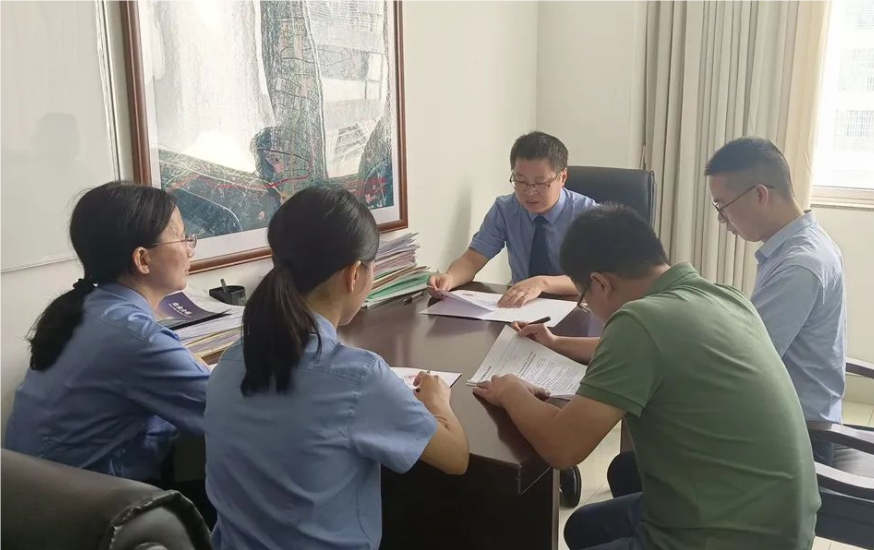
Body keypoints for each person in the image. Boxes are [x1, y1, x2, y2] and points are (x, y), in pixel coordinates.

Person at [473, 204, 819, 550]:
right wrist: (558, 343)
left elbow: (562, 448)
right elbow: (654, 346)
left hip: (726, 536)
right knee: (584, 526)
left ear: (601, 283)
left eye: (584, 300)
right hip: (778, 519)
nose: (589, 308)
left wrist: (510, 390)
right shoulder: (721, 296)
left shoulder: (638, 322)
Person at [205, 185, 469, 550]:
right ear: (354, 274)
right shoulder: (358, 378)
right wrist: (438, 402)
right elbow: (455, 458)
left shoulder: (230, 362)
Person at [606, 138, 848, 499]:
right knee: (635, 463)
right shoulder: (800, 245)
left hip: (794, 437)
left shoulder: (799, 266)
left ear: (760, 194)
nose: (722, 220)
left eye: (723, 206)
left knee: (635, 464)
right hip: (782, 415)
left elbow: (745, 358)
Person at [5, 181, 209, 483]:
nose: (189, 250)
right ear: (142, 259)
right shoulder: (136, 338)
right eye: (182, 238)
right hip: (91, 505)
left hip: (33, 495)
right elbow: (228, 411)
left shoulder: (88, 307)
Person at [428, 131, 597, 308]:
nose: (529, 191)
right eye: (520, 180)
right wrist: (449, 278)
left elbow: (595, 279)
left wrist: (542, 283)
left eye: (540, 182)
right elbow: (472, 259)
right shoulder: (505, 209)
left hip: (575, 307)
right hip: (520, 306)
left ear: (562, 177)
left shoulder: (588, 214)